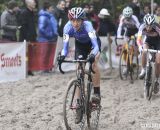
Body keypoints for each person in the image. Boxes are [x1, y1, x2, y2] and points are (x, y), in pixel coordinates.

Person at [57, 7, 101, 124]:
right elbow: (65, 48)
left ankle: (96, 92)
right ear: (70, 20)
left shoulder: (88, 26)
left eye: (78, 20)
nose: (75, 23)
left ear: (82, 20)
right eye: (73, 20)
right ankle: (77, 104)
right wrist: (62, 56)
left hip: (92, 45)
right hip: (80, 46)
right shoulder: (67, 27)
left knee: (94, 63)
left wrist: (92, 55)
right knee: (79, 70)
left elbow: (95, 46)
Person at [137, 14, 160, 93]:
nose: (148, 28)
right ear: (144, 23)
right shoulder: (142, 26)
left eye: (150, 26)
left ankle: (157, 80)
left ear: (153, 24)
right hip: (148, 41)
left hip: (158, 43)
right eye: (147, 25)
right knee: (144, 51)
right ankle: (143, 70)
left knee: (158, 62)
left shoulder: (157, 27)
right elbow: (139, 39)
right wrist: (140, 46)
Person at [117, 6, 140, 74]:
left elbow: (139, 26)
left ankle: (135, 55)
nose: (127, 18)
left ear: (131, 15)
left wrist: (138, 35)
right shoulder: (123, 18)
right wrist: (119, 35)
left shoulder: (134, 17)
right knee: (125, 46)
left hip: (135, 31)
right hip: (128, 31)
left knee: (135, 47)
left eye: (129, 17)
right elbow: (120, 27)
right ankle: (126, 66)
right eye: (126, 17)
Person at [19, 0, 37, 76]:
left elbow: (32, 26)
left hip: (32, 37)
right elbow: (23, 27)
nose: (35, 4)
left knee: (31, 55)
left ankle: (30, 70)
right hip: (26, 38)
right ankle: (24, 70)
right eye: (33, 3)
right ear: (28, 4)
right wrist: (27, 39)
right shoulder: (24, 13)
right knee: (25, 55)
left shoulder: (32, 13)